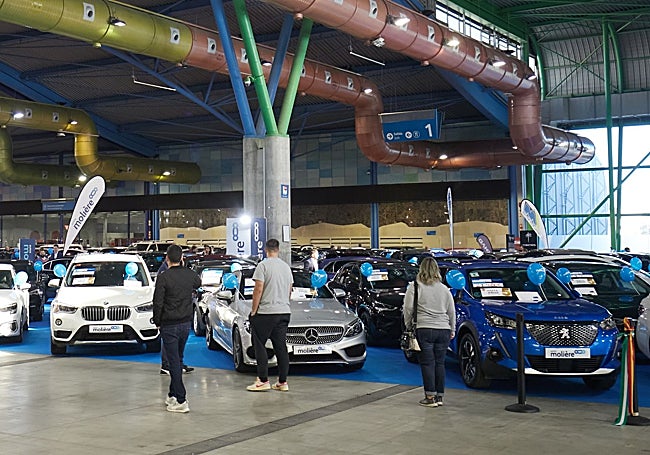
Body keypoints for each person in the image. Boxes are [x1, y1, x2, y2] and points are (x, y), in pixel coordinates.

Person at [153, 244, 201, 413]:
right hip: (185, 324)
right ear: (181, 258)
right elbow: (198, 282)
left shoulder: (163, 277)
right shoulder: (189, 274)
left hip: (169, 324)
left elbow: (158, 302)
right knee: (178, 359)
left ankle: (181, 400)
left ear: (167, 258)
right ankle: (172, 394)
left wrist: (157, 321)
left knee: (173, 361)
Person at [403, 257, 455, 408]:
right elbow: (451, 311)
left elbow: (408, 309)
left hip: (424, 328)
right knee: (440, 363)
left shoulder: (414, 287)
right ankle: (440, 396)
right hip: (443, 329)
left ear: (421, 269)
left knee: (427, 363)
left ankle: (430, 397)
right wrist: (452, 329)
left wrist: (408, 325)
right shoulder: (444, 289)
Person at [247, 238, 293, 392]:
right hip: (284, 311)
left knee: (259, 345)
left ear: (266, 250)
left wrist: (254, 311)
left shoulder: (263, 266)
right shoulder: (286, 267)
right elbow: (289, 290)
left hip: (266, 313)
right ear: (278, 250)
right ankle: (283, 382)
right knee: (281, 347)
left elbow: (258, 289)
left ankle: (263, 380)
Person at [157, 256, 194, 376]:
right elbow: (158, 300)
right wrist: (158, 320)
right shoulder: (164, 273)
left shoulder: (169, 272)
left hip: (177, 317)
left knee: (175, 347)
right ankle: (167, 366)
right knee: (170, 345)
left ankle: (175, 366)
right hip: (171, 317)